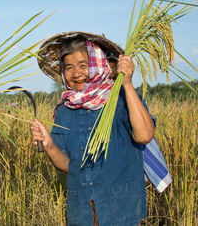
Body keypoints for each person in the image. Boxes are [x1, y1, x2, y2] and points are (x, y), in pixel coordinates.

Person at [30, 32, 155, 225]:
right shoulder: (65, 109)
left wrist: (128, 85)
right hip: (81, 212)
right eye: (69, 67)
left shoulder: (120, 98)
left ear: (98, 64)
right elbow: (67, 165)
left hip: (120, 210)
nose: (76, 73)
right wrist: (49, 145)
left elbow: (145, 135)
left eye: (83, 65)